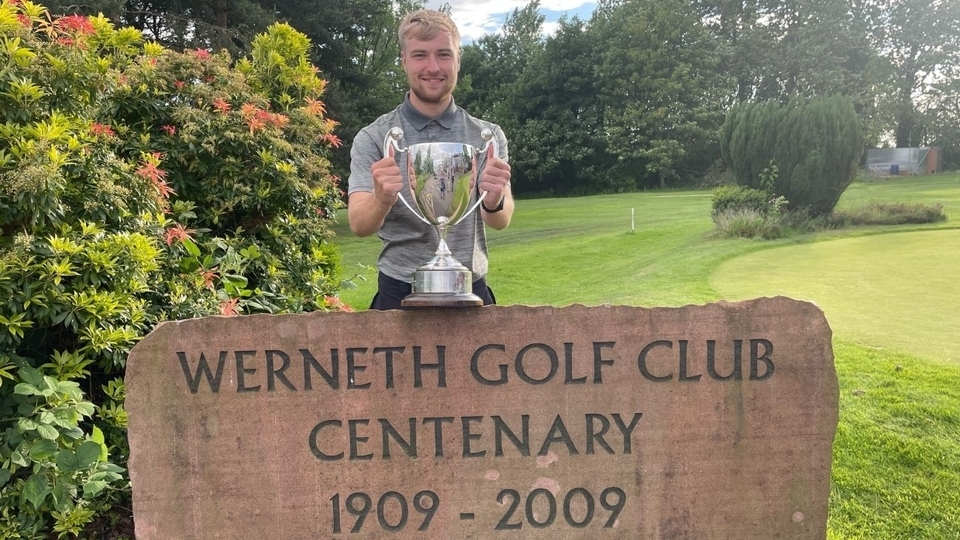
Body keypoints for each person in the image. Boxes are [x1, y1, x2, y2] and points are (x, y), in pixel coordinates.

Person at [347, 9, 514, 310]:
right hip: (398, 294)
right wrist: (381, 199)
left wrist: (495, 198)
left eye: (444, 55)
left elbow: (500, 220)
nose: (433, 67)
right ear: (404, 61)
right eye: (421, 55)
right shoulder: (375, 137)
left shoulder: (488, 135)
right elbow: (359, 224)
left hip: (469, 291)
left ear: (458, 60)